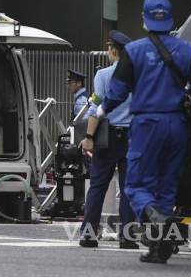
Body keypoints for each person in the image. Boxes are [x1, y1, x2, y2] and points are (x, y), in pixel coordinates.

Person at [96, 0, 191, 264]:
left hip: (147, 124)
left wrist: (102, 110)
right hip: (177, 123)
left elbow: (118, 91)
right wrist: (186, 91)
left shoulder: (134, 51)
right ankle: (158, 249)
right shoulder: (187, 49)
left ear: (144, 19)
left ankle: (155, 219)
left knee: (136, 185)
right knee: (167, 187)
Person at [78, 30, 137, 250]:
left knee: (98, 186)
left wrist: (88, 137)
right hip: (132, 137)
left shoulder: (102, 75)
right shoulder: (137, 75)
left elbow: (96, 109)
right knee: (129, 189)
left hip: (107, 136)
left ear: (113, 50)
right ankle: (128, 237)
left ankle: (88, 235)